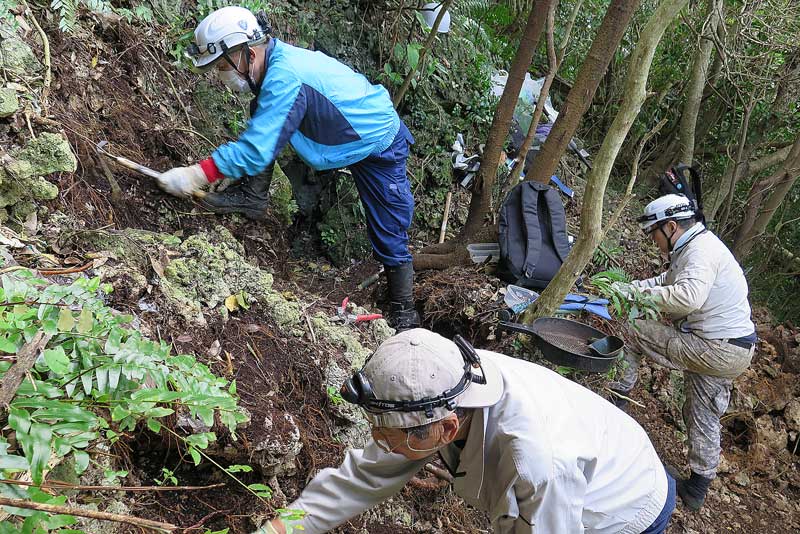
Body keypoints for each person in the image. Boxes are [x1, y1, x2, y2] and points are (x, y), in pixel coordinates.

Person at [254, 328, 676, 534]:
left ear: (444, 429)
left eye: (389, 439)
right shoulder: (434, 384)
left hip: (623, 500)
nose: (379, 446)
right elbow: (354, 482)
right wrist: (278, 529)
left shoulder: (535, 461)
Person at [157, 6, 419, 330]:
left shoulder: (285, 77)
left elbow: (256, 149)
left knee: (388, 227)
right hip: (341, 130)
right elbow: (262, 134)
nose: (222, 74)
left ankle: (404, 313)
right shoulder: (273, 66)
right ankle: (253, 195)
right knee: (263, 114)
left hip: (377, 140)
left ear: (248, 53)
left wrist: (197, 174)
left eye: (224, 65)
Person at [610, 193, 757, 511]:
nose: (653, 241)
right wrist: (634, 288)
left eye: (653, 233)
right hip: (735, 349)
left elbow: (688, 296)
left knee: (630, 328)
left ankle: (615, 402)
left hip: (716, 347)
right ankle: (698, 486)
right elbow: (670, 279)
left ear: (671, 226)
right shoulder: (695, 246)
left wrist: (635, 298)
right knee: (702, 410)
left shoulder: (700, 251)